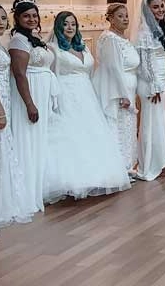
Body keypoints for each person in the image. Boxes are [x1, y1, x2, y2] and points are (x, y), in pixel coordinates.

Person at [44, 11, 131, 202]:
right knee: (72, 136)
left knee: (92, 134)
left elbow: (92, 73)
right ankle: (71, 181)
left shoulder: (83, 48)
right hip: (66, 94)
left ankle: (97, 176)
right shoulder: (52, 48)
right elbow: (51, 77)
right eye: (65, 24)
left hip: (87, 94)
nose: (69, 27)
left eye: (73, 24)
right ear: (58, 26)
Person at [0, 3, 33, 227]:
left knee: (3, 151)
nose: (0, 22)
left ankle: (2, 201)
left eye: (3, 18)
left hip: (6, 100)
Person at [9, 0, 58, 214]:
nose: (31, 19)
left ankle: (40, 187)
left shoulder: (34, 38)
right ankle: (27, 191)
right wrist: (30, 104)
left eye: (34, 15)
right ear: (18, 18)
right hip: (30, 93)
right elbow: (19, 74)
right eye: (26, 16)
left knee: (41, 141)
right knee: (29, 141)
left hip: (43, 91)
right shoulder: (18, 40)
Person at [135, 0, 165, 180]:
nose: (161, 10)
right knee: (152, 124)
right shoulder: (144, 33)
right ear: (147, 9)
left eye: (162, 6)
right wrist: (153, 85)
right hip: (151, 84)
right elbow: (144, 63)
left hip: (161, 81)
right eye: (156, 7)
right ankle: (155, 164)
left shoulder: (161, 29)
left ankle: (159, 162)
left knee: (160, 123)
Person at [93, 4, 140, 178]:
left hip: (129, 86)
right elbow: (113, 68)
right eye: (120, 16)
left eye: (126, 16)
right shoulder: (110, 38)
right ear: (110, 18)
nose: (125, 19)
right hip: (117, 90)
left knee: (127, 127)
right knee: (118, 127)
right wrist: (123, 94)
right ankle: (117, 168)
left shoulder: (122, 38)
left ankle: (127, 165)